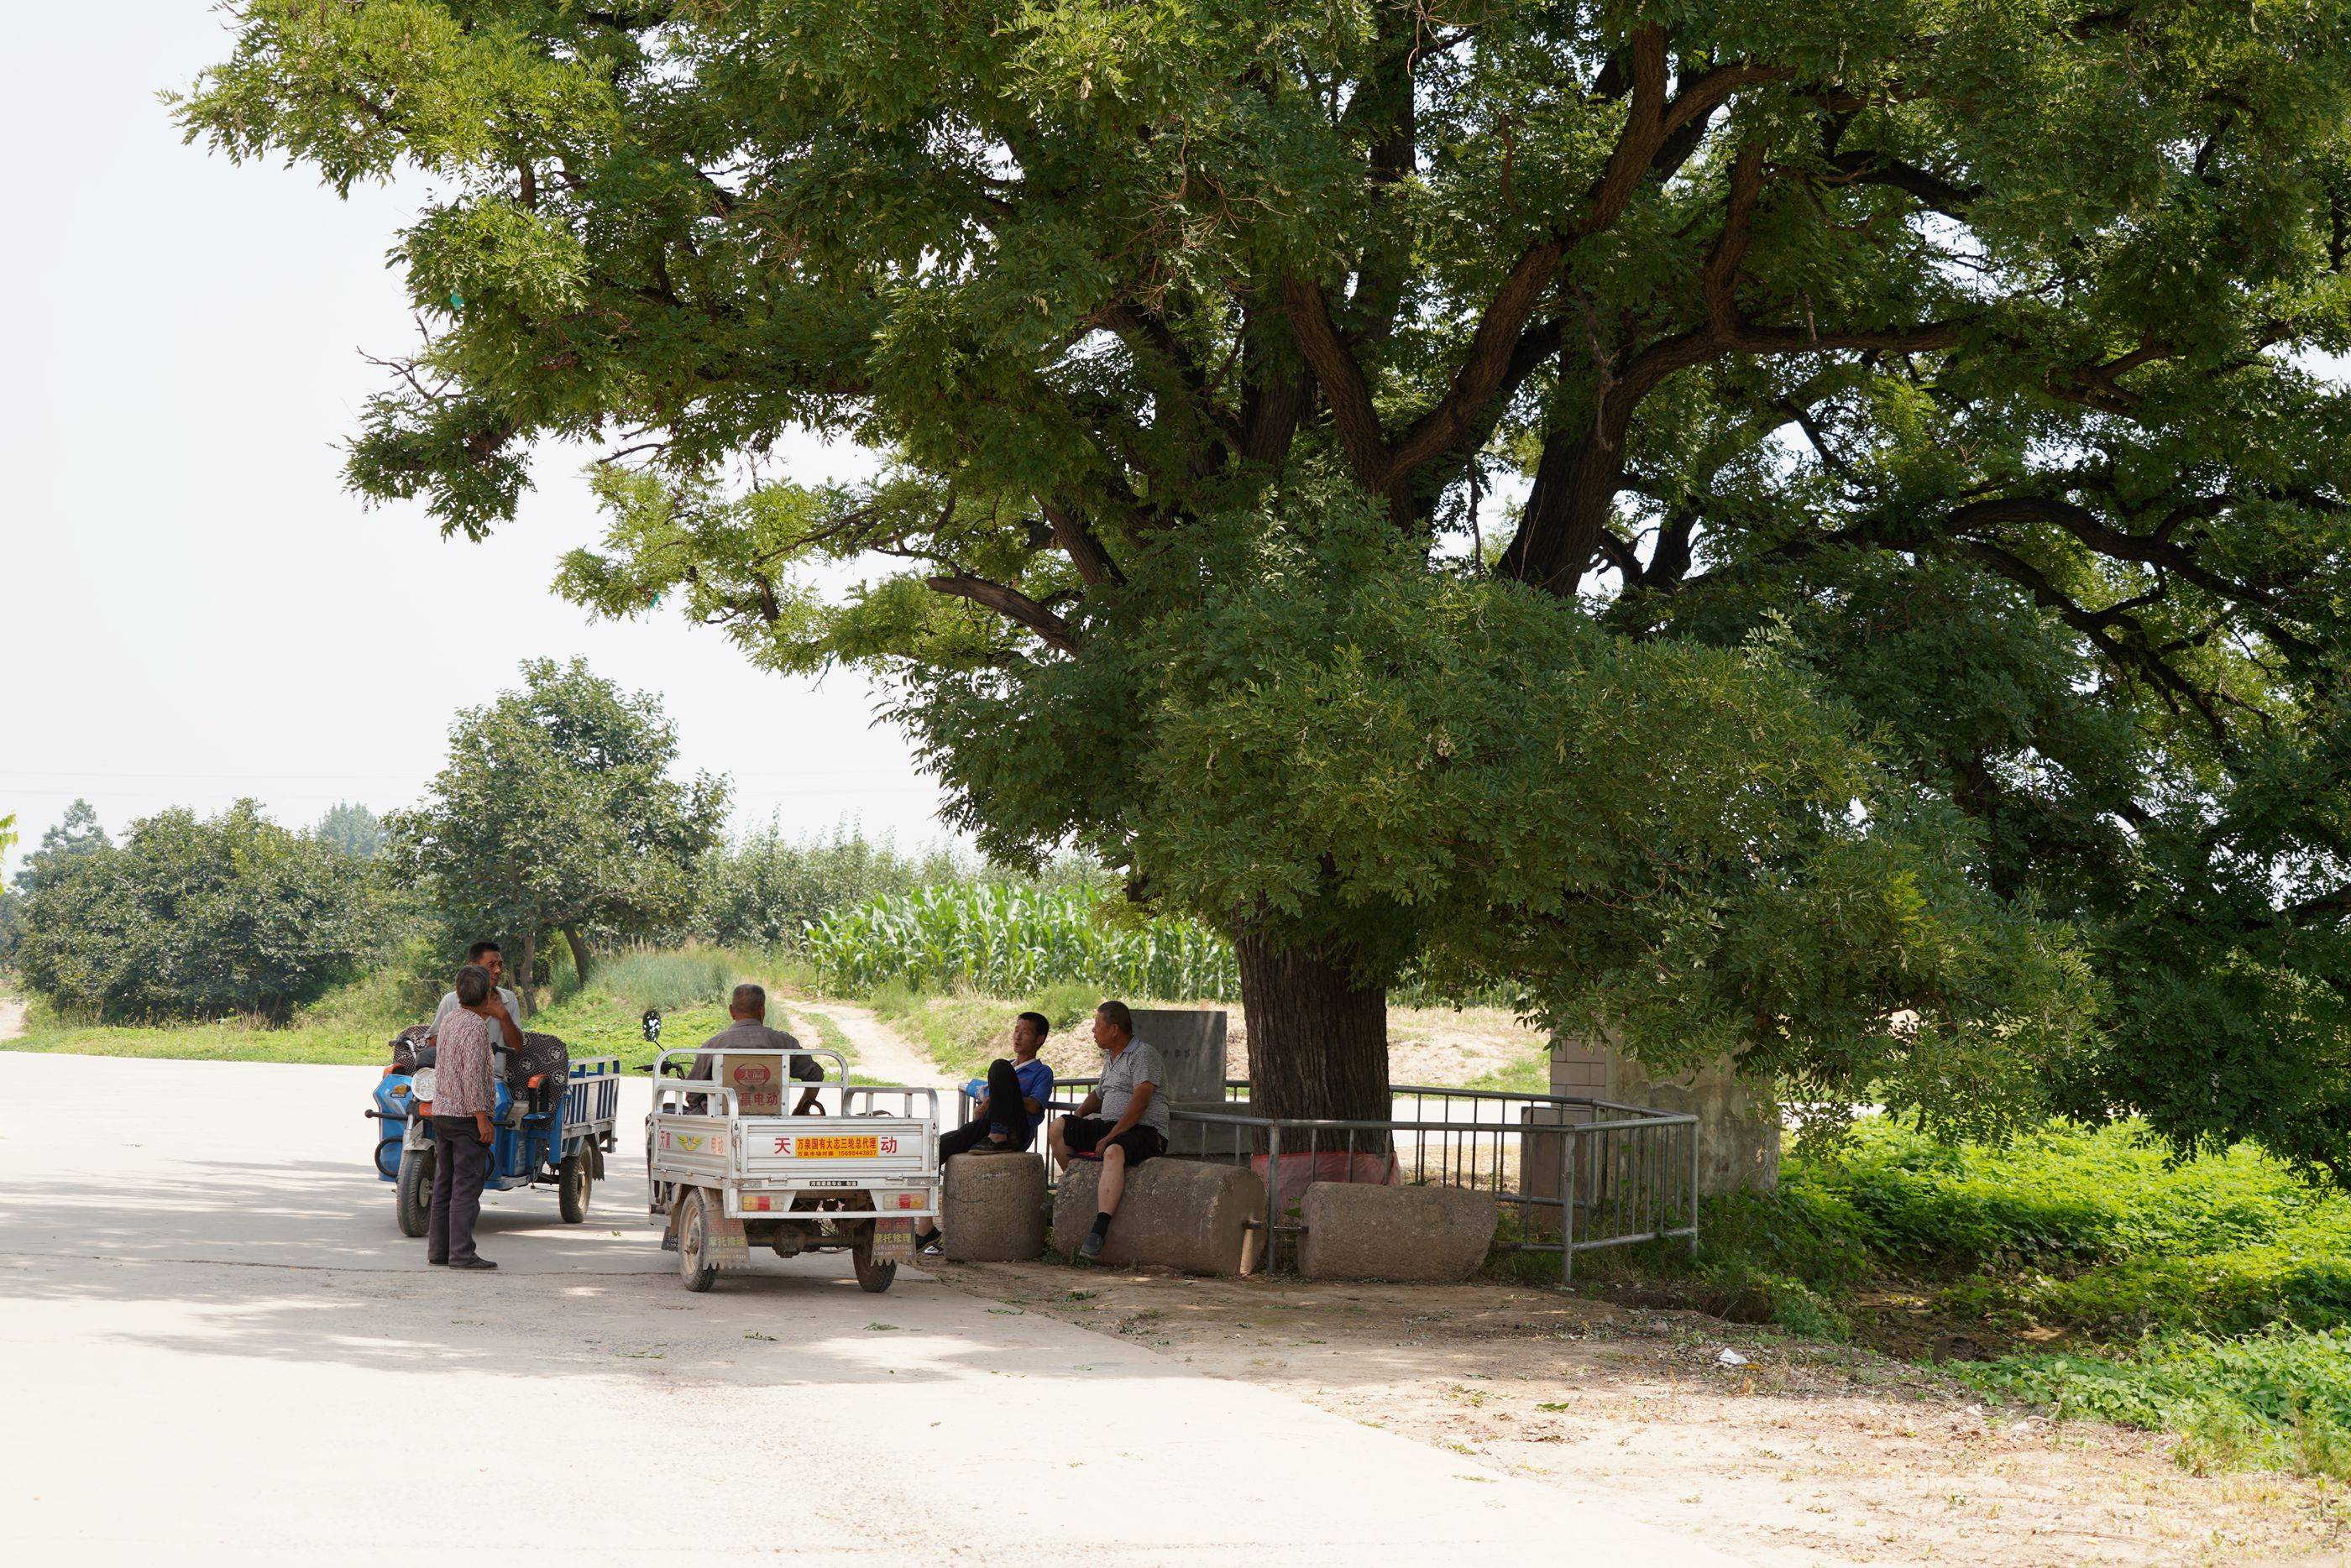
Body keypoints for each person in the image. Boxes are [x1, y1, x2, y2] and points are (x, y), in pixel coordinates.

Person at [912, 1011, 1055, 1255]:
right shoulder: (1011, 1067)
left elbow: (1035, 1105)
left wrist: (1004, 1098)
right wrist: (986, 1106)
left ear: (1040, 1039)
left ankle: (998, 1137)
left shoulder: (1042, 1072)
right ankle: (926, 1229)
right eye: (1016, 1030)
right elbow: (981, 1114)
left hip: (1015, 1131)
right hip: (988, 1125)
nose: (1018, 1036)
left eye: (1026, 1032)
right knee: (933, 1150)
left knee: (997, 1066)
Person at [1049, 1000, 1170, 1259]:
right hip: (1110, 1125)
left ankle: (1099, 1230)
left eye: (1097, 1025)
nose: (1093, 1031)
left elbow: (1140, 1103)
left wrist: (1109, 1137)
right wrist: (1076, 1119)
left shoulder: (1143, 1055)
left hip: (1145, 1129)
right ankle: (1078, 1189)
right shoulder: (1111, 1056)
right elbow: (1099, 1095)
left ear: (1114, 1029)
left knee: (1114, 1150)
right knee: (1058, 1127)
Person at [426, 964, 501, 1271]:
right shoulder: (474, 1027)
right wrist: (482, 1119)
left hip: (443, 1113)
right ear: (486, 996)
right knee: (466, 1187)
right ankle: (461, 1253)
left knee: (444, 1183)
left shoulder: (450, 1021)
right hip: (466, 1117)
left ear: (458, 994)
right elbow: (472, 1076)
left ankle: (439, 1251)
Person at [687, 984, 824, 1116]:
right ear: (762, 1010)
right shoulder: (784, 1043)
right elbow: (815, 1075)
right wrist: (799, 1110)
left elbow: (692, 1095)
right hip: (772, 1121)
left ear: (731, 1011)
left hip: (721, 1123)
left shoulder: (714, 1045)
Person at [425, 939, 526, 1054]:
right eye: (491, 965)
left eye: (500, 964)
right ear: (473, 966)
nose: (498, 970)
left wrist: (503, 1015)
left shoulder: (509, 999)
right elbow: (432, 1047)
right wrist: (467, 1013)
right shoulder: (450, 1000)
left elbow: (517, 1048)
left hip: (494, 1072)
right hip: (458, 1072)